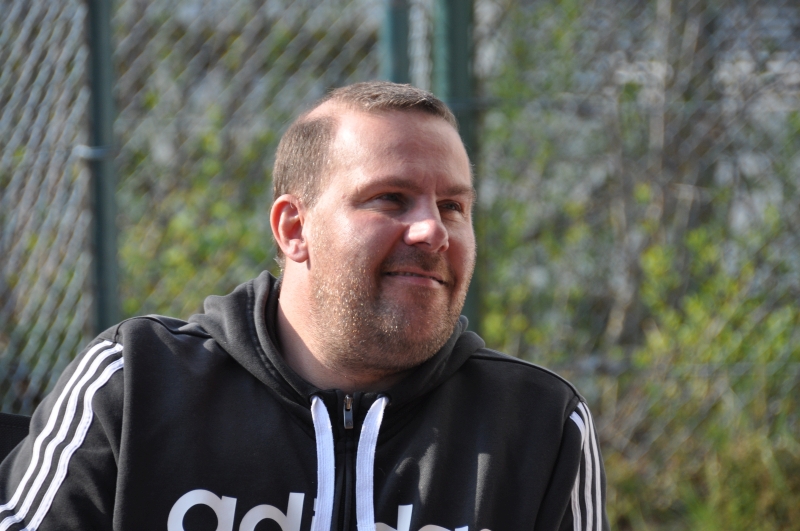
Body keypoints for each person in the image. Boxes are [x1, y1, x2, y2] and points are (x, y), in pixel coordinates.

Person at [0, 81, 609, 531]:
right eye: (390, 198)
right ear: (294, 229)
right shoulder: (134, 382)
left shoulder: (540, 426)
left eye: (453, 207)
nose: (432, 231)